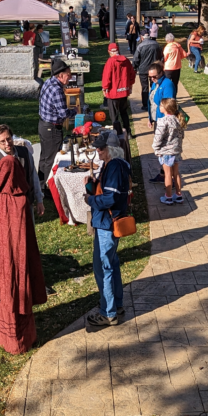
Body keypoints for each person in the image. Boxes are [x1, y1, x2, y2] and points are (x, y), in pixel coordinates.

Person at [0, 150, 48, 354]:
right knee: (12, 293)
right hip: (12, 259)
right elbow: (25, 239)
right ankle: (16, 340)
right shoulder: (20, 201)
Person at [85, 131, 131, 327]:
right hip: (110, 222)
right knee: (112, 264)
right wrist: (93, 185)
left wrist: (90, 199)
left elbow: (110, 198)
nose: (98, 151)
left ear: (110, 149)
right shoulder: (116, 165)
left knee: (103, 268)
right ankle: (116, 304)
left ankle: (108, 313)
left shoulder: (113, 168)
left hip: (107, 223)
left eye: (101, 148)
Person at [0, 124, 44, 217]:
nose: (7, 143)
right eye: (2, 141)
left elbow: (33, 176)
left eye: (8, 139)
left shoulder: (25, 153)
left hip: (26, 204)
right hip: (5, 211)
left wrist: (39, 200)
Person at [37, 58, 76, 184]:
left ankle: (41, 183)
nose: (69, 78)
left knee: (44, 157)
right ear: (60, 75)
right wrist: (74, 111)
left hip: (43, 125)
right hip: (52, 129)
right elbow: (64, 114)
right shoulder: (57, 90)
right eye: (68, 75)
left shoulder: (48, 82)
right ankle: (48, 187)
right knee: (51, 159)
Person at [153, 98, 185, 205]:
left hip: (166, 152)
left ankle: (168, 197)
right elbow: (182, 136)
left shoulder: (163, 121)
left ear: (166, 108)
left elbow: (158, 137)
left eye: (161, 105)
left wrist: (156, 148)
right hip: (176, 151)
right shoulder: (179, 120)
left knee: (167, 174)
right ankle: (179, 195)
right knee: (176, 174)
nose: (159, 107)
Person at [102, 42, 135, 138]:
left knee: (114, 115)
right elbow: (132, 75)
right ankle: (128, 132)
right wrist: (130, 86)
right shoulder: (126, 61)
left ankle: (117, 134)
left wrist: (105, 88)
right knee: (124, 112)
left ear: (109, 51)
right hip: (124, 91)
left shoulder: (110, 62)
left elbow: (106, 77)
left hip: (113, 93)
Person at [132, 29, 161, 112]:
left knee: (144, 88)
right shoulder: (156, 44)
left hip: (143, 70)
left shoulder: (140, 46)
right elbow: (161, 56)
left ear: (142, 37)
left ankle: (145, 105)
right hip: (154, 69)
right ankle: (154, 102)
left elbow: (136, 59)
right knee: (154, 86)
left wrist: (134, 68)